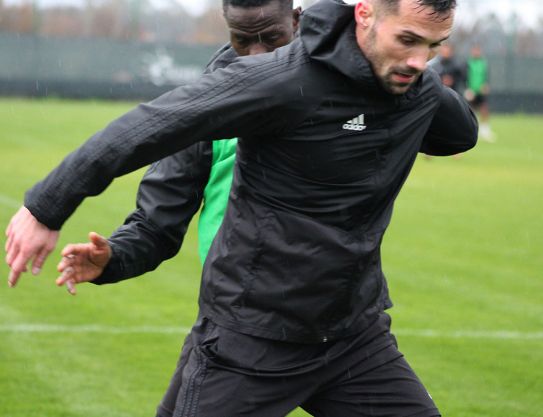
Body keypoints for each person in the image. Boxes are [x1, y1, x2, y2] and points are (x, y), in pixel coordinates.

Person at [5, 1, 478, 416]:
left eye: (434, 46)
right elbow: (149, 130)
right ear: (365, 14)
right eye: (408, 41)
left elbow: (461, 133)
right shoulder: (276, 82)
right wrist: (46, 207)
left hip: (353, 336)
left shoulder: (414, 87)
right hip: (251, 339)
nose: (419, 61)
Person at [51, 0, 303, 294]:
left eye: (272, 39)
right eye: (243, 40)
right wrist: (114, 257)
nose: (256, 55)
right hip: (236, 312)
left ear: (295, 21)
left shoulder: (344, 93)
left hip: (343, 323)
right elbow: (156, 223)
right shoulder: (208, 112)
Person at [465, 44, 494, 142]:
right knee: (469, 111)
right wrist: (467, 89)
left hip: (481, 91)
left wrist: (486, 85)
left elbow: (486, 76)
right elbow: (464, 77)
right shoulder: (468, 63)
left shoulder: (483, 63)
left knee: (484, 109)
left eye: (478, 51)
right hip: (471, 91)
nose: (476, 52)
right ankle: (470, 130)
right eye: (474, 50)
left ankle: (485, 129)